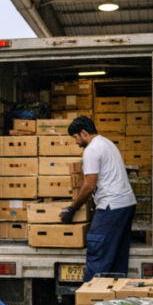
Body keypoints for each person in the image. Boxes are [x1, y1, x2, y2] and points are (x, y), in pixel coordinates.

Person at [62, 116, 137, 282]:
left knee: (98, 252)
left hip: (111, 207)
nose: (76, 142)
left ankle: (90, 301)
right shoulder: (107, 143)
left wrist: (73, 207)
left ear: (83, 132)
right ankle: (112, 299)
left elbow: (89, 185)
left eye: (75, 137)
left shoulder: (92, 150)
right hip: (127, 204)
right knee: (116, 257)